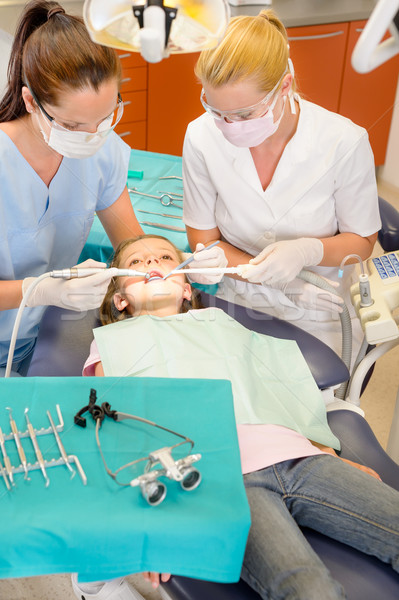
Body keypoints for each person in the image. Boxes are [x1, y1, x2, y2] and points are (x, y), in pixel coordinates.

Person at [81, 234, 399, 600]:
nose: (152, 264)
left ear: (187, 288)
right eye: (136, 263)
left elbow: (274, 390)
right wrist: (150, 514)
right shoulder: (114, 341)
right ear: (120, 298)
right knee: (310, 589)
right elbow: (115, 425)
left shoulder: (220, 321)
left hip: (300, 458)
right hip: (223, 479)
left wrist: (325, 452)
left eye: (165, 257)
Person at [0, 0, 225, 378]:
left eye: (106, 118)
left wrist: (183, 267)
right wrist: (37, 291)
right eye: (73, 126)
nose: (93, 138)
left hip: (33, 340)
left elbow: (133, 248)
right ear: (29, 102)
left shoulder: (101, 154)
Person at [182, 9, 382, 367]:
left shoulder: (343, 142)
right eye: (217, 111)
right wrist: (275, 283)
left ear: (284, 86)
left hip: (321, 309)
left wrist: (307, 252)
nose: (229, 126)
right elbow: (204, 241)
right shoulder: (200, 136)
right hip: (238, 299)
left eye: (244, 114)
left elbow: (362, 242)